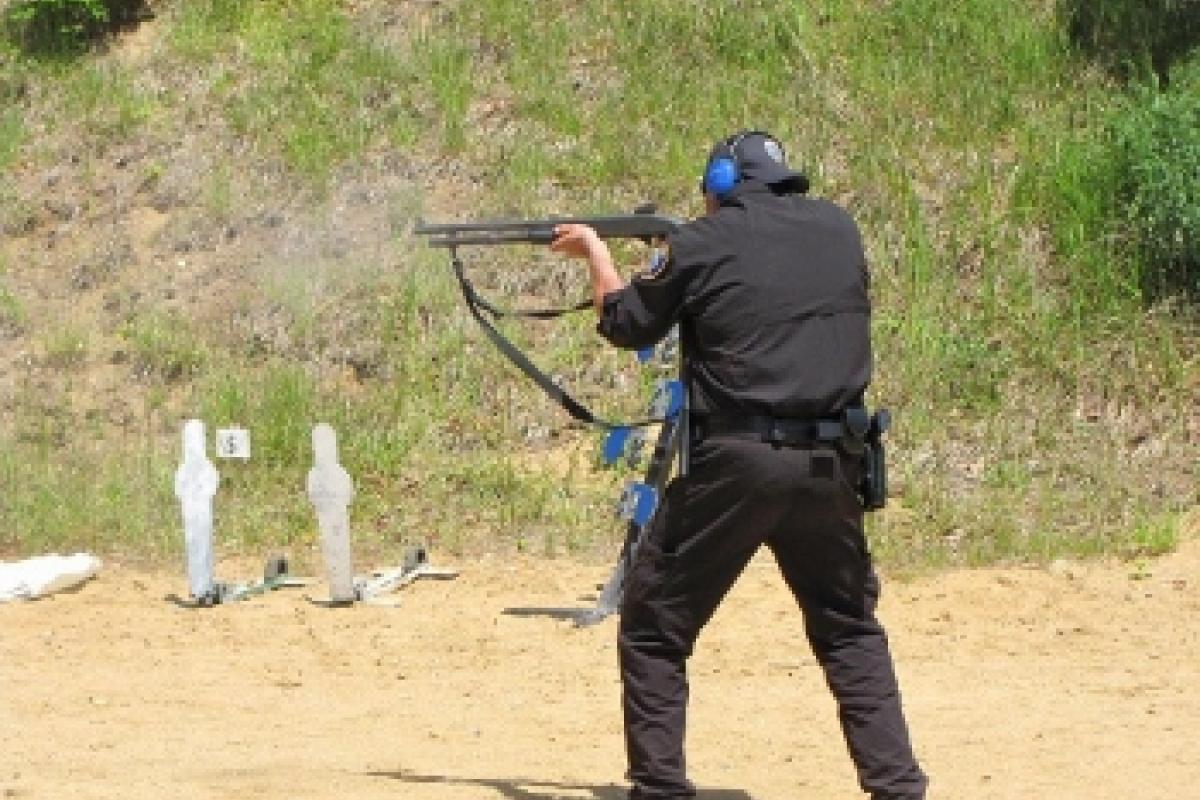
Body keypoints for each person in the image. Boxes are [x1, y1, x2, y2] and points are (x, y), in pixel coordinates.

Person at [549, 130, 927, 800]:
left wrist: (599, 258)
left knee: (653, 627)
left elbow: (627, 325)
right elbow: (768, 291)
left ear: (721, 184)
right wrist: (677, 259)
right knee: (848, 630)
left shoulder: (698, 243)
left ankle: (660, 788)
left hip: (740, 463)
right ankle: (898, 788)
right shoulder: (838, 229)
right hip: (833, 461)